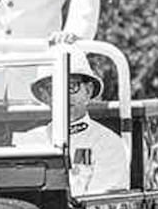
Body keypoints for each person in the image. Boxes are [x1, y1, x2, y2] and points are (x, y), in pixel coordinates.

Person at [12, 56, 128, 196]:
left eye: (72, 86)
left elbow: (100, 206)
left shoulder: (108, 143)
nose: (64, 96)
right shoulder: (30, 142)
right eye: (54, 89)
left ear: (88, 91)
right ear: (44, 97)